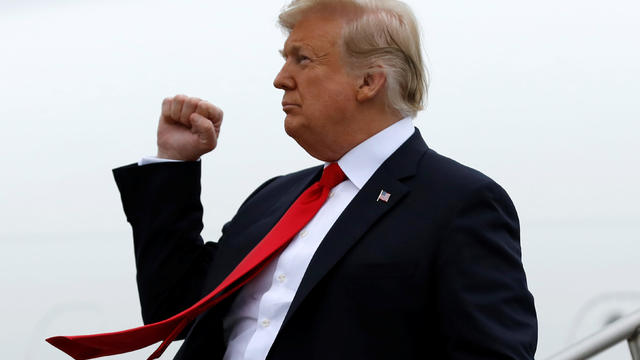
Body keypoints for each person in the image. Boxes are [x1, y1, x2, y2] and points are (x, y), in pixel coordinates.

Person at [112, 0, 537, 359]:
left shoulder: (460, 201)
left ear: (368, 81)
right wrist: (173, 163)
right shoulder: (273, 197)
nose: (280, 79)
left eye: (302, 58)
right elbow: (173, 309)